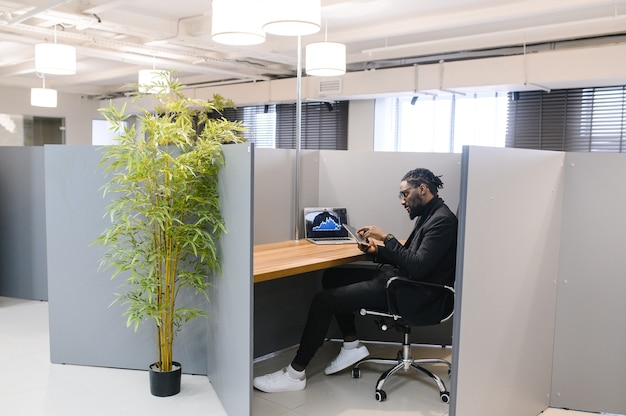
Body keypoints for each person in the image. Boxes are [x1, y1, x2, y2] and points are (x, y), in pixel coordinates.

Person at [253, 168, 458, 393]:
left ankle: (294, 374)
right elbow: (410, 257)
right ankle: (351, 345)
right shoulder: (430, 214)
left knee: (324, 301)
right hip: (404, 282)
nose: (402, 201)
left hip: (414, 293)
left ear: (422, 189)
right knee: (334, 276)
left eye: (405, 194)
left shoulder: (442, 221)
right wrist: (375, 251)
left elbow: (418, 267)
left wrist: (386, 238)